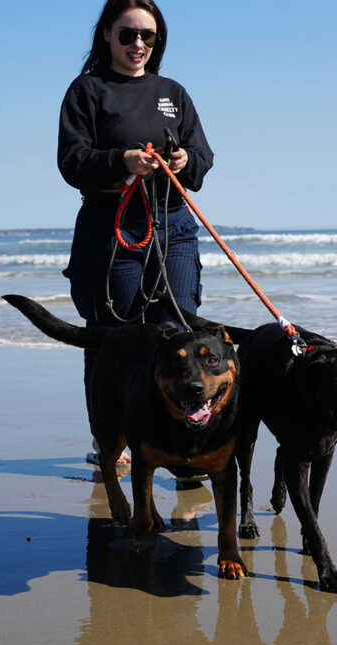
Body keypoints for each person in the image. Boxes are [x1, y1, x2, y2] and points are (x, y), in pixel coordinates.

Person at [57, 0, 214, 466]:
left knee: (179, 331)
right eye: (128, 35)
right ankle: (111, 441)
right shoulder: (87, 90)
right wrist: (122, 161)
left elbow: (203, 158)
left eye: (149, 36)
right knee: (116, 339)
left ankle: (183, 436)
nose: (139, 44)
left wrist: (186, 161)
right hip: (113, 227)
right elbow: (71, 161)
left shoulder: (173, 92)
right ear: (107, 34)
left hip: (175, 226)